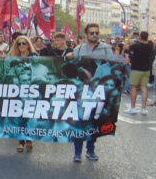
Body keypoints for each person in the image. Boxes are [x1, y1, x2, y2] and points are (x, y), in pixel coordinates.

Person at [66, 23, 112, 162]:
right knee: (79, 121)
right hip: (81, 92)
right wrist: (67, 57)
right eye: (91, 33)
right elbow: (71, 68)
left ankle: (90, 150)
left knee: (93, 121)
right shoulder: (79, 49)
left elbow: (113, 66)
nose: (95, 35)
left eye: (97, 33)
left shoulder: (107, 49)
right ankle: (77, 152)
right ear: (86, 35)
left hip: (98, 91)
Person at [7, 35, 36, 153]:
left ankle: (29, 138)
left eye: (24, 43)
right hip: (17, 90)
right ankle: (21, 141)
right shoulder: (13, 58)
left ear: (28, 44)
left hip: (31, 90)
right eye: (19, 43)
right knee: (20, 114)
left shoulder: (34, 57)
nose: (22, 45)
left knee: (29, 115)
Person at [123, 31, 155, 115]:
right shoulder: (150, 46)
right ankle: (143, 109)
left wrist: (130, 36)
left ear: (140, 37)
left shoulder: (136, 46)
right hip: (146, 69)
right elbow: (154, 43)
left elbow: (125, 47)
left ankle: (133, 108)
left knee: (133, 87)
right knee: (144, 88)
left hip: (136, 69)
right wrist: (150, 38)